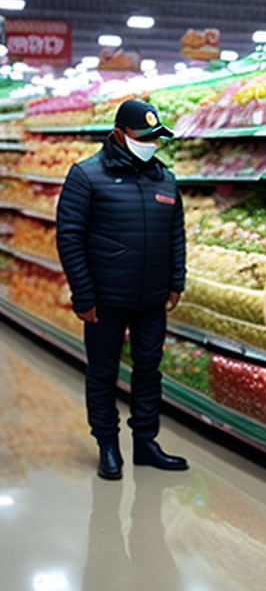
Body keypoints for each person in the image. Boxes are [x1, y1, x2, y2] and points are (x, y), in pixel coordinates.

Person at [56, 99, 188, 480]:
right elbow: (69, 237)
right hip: (105, 300)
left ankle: (146, 443)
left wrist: (175, 281)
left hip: (151, 300)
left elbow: (175, 234)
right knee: (102, 373)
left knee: (149, 371)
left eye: (155, 136)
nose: (151, 143)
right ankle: (107, 446)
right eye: (143, 136)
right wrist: (83, 295)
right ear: (119, 134)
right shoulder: (86, 176)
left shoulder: (164, 177)